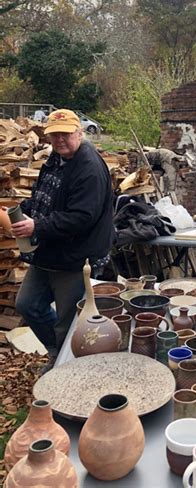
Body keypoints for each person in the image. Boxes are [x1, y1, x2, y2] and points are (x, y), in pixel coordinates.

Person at [12, 109, 114, 373]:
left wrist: (37, 225)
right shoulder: (56, 159)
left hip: (75, 257)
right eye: (54, 134)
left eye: (66, 133)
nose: (60, 139)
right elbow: (44, 196)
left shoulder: (88, 167)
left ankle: (68, 370)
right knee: (27, 304)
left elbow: (81, 217)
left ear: (79, 132)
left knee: (68, 321)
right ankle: (57, 352)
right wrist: (24, 210)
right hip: (48, 252)